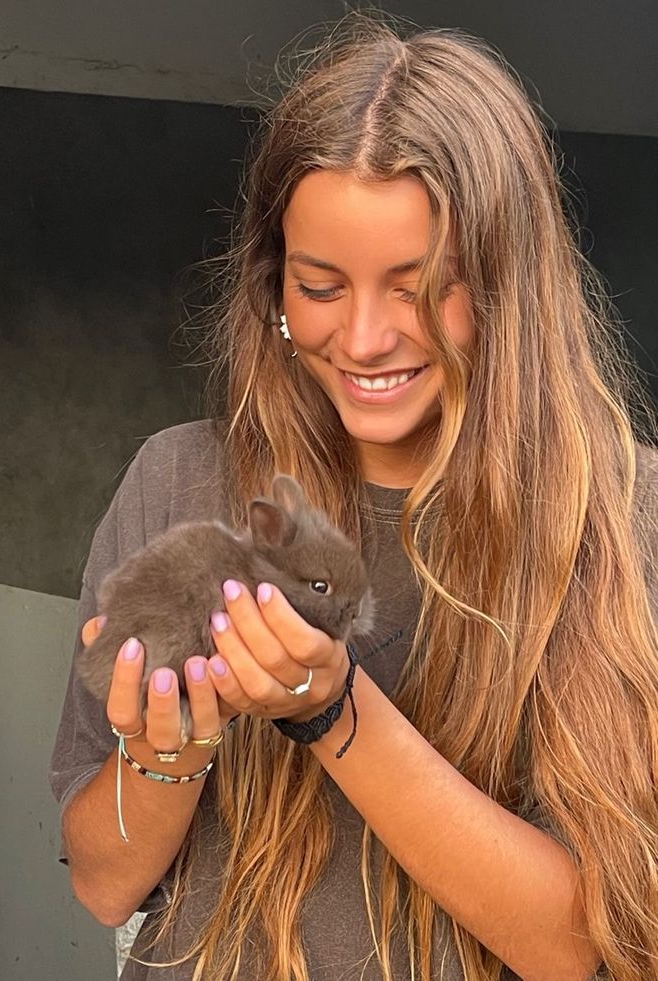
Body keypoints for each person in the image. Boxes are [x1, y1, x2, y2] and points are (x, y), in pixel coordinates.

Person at [49, 11, 658, 981]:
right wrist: (172, 747)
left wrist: (330, 711)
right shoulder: (179, 482)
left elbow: (586, 949)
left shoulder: (620, 521)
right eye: (320, 286)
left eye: (419, 287)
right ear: (272, 282)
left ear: (506, 284)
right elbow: (103, 886)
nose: (365, 339)